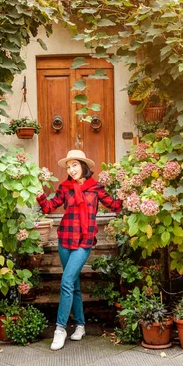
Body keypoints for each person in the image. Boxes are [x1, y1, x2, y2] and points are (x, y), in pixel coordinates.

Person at [37, 150, 123, 351]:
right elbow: (49, 208)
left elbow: (116, 206)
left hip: (84, 241)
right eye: (68, 166)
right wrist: (38, 194)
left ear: (84, 166)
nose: (71, 169)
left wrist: (129, 192)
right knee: (73, 284)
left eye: (74, 165)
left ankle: (60, 329)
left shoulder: (95, 188)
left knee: (66, 282)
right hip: (65, 239)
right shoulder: (65, 188)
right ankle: (81, 325)